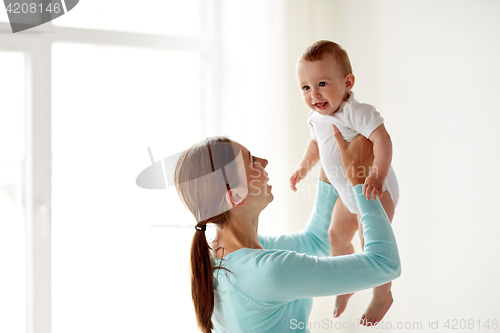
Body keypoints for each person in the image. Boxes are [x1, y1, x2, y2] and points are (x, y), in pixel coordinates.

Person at [174, 129, 401, 333]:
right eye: (252, 161)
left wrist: (331, 162)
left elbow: (316, 241)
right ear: (235, 196)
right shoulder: (268, 272)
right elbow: (384, 264)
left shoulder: (223, 255)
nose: (264, 162)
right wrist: (360, 180)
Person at [290, 40, 400, 325]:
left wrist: (377, 175)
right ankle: (346, 283)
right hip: (347, 193)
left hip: (375, 189)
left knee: (371, 240)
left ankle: (382, 294)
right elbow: (316, 146)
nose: (313, 94)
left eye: (322, 83)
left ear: (347, 82)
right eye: (305, 87)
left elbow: (382, 139)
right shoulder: (315, 116)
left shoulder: (355, 111)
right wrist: (302, 169)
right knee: (335, 236)